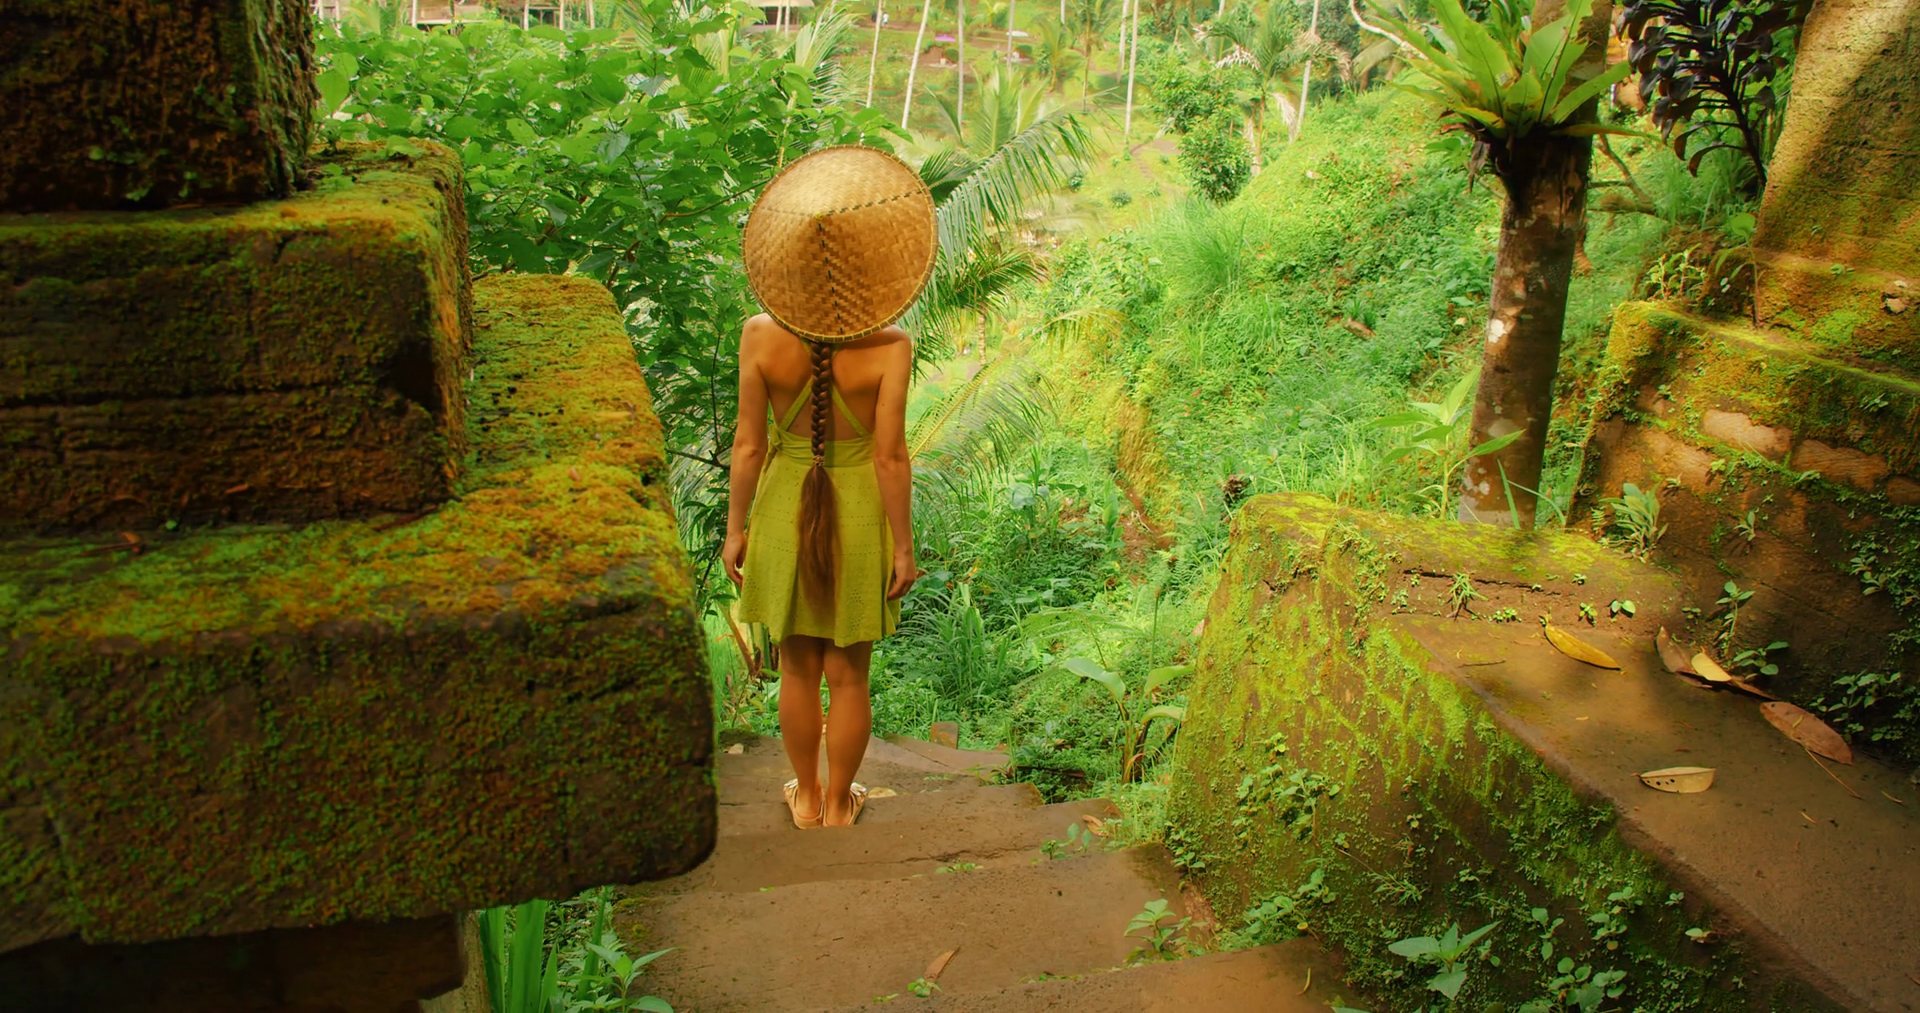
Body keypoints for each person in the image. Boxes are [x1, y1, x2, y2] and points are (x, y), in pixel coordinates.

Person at [723, 146, 938, 829]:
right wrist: (903, 547)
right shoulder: (890, 346)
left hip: (782, 508)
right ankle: (842, 802)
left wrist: (735, 530)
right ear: (869, 271)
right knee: (849, 675)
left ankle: (807, 800)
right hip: (858, 514)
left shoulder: (758, 335)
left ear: (786, 268)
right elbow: (890, 457)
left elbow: (748, 445)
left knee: (796, 670)